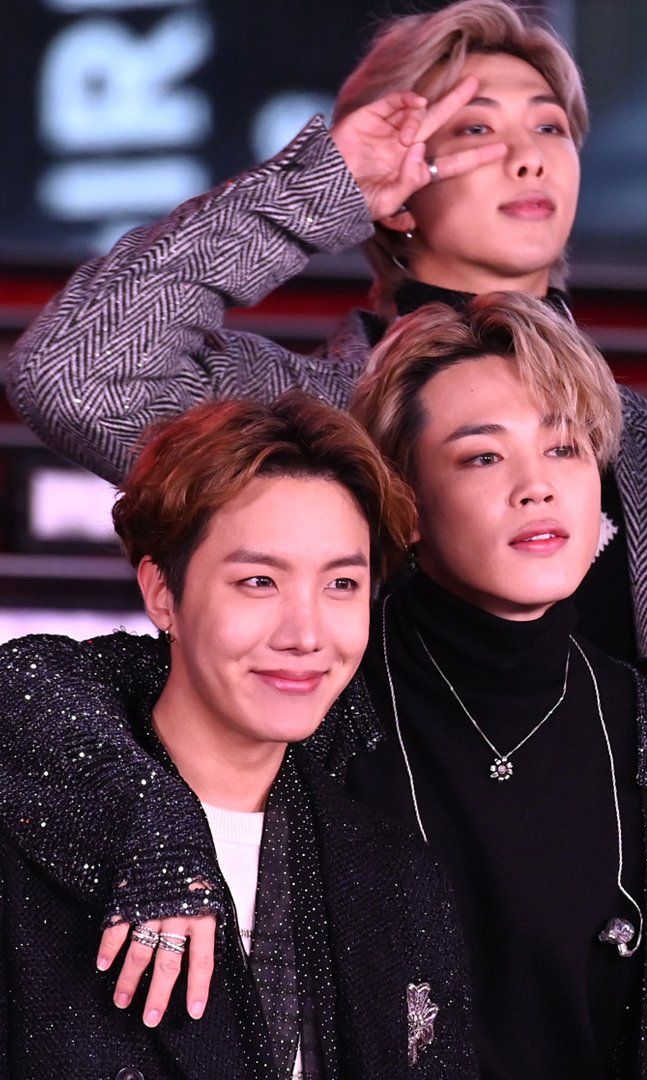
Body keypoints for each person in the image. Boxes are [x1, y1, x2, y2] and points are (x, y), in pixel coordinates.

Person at [0, 293, 647, 1079]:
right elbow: (38, 685)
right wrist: (156, 830)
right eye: (483, 455)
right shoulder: (312, 689)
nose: (538, 487)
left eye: (564, 449)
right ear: (409, 501)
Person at [1, 0, 647, 663]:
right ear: (395, 189)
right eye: (477, 128)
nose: (529, 159)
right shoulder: (294, 416)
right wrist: (320, 185)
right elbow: (69, 372)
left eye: (550, 126)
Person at [0, 393, 475, 1078]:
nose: (305, 634)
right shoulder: (32, 848)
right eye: (258, 581)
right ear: (162, 593)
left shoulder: (398, 875)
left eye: (342, 584)